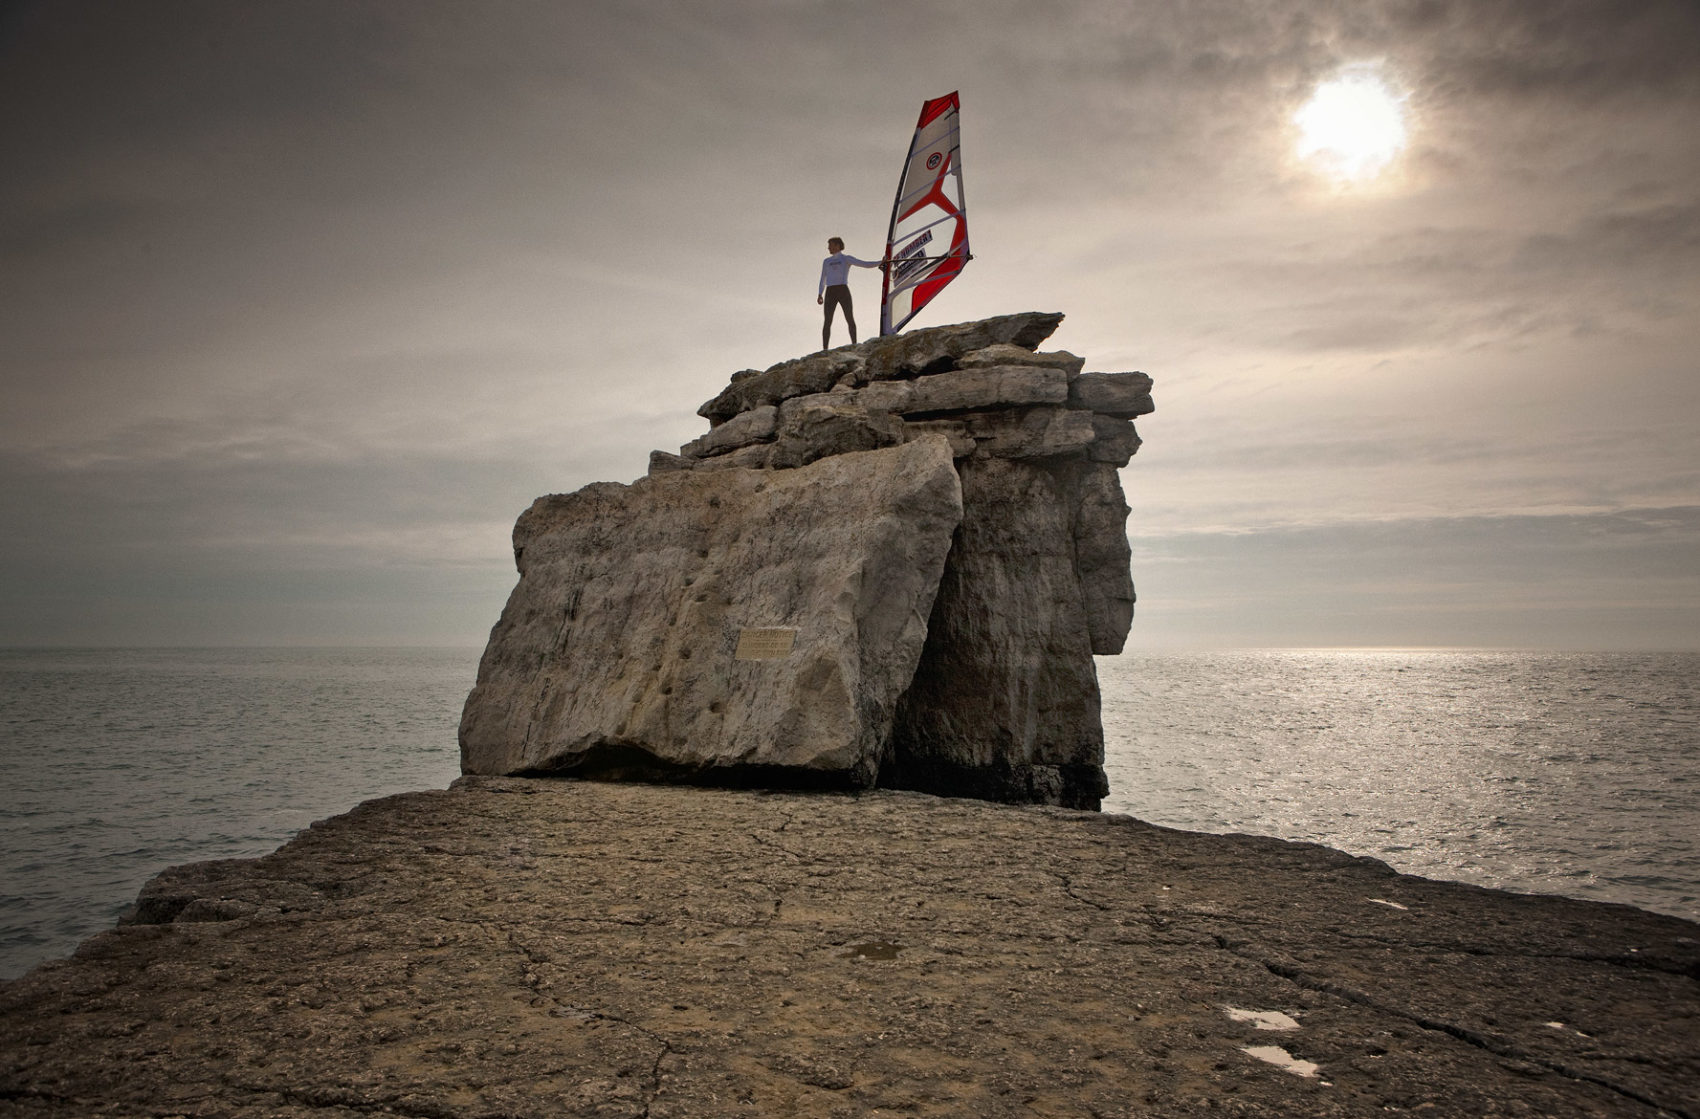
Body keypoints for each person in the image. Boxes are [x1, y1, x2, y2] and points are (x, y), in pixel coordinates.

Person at [817, 237, 881, 349]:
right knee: (827, 320)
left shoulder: (845, 259)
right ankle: (825, 349)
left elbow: (864, 264)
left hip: (843, 290)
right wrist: (820, 294)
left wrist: (881, 262)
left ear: (837, 245)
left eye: (830, 245)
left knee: (849, 318)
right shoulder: (826, 261)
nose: (828, 248)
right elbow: (823, 278)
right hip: (830, 291)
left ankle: (854, 344)